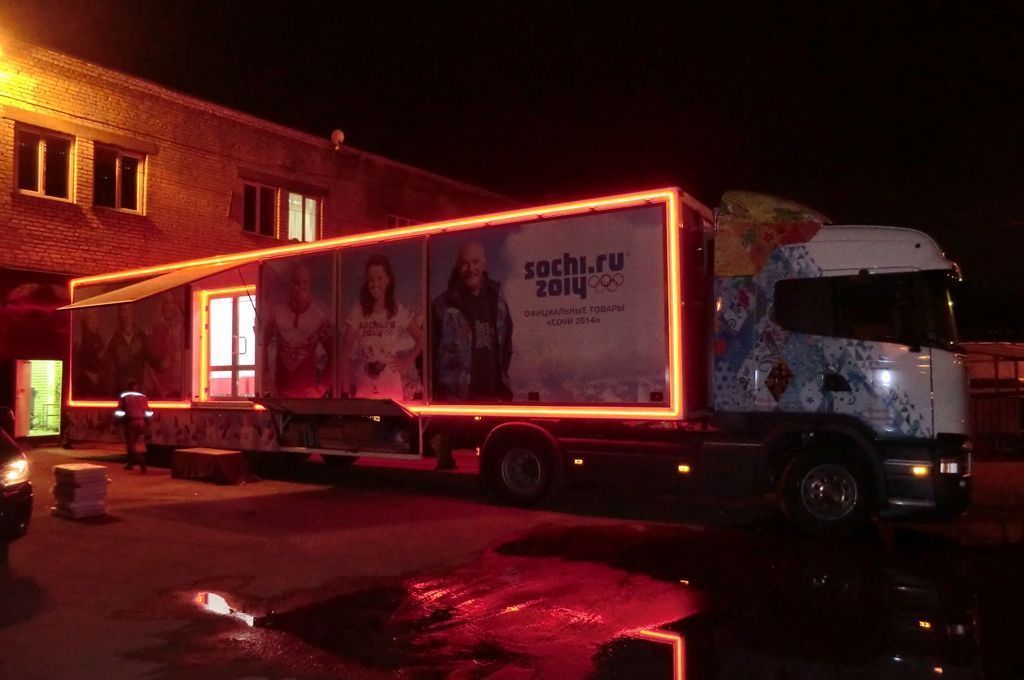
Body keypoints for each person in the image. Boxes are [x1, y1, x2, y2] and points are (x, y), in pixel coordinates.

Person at [430, 241, 513, 469]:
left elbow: (507, 338)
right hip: (456, 395)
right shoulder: (442, 305)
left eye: (475, 262)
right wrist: (437, 389)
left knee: (491, 453)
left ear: (483, 263)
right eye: (464, 264)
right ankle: (444, 459)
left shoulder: (497, 298)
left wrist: (502, 375)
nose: (470, 269)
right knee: (448, 457)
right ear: (458, 267)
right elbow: (429, 351)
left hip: (491, 391)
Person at [340, 254, 424, 401]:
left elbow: (421, 339)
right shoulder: (358, 311)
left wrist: (406, 363)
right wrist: (345, 389)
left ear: (387, 280)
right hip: (364, 388)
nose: (375, 284)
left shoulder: (397, 310)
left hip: (391, 389)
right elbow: (345, 351)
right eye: (371, 280)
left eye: (379, 278)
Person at [261, 262, 334, 398]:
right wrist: (265, 378)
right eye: (296, 282)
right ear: (291, 285)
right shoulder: (277, 313)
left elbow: (335, 355)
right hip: (280, 394)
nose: (300, 287)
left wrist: (321, 388)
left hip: (307, 397)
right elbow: (262, 345)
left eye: (304, 282)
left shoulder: (318, 318)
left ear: (310, 285)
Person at [105, 305, 159, 396]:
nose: (126, 314)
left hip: (139, 389)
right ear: (119, 315)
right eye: (123, 310)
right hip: (121, 391)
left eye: (128, 309)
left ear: (133, 312)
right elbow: (109, 369)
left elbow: (151, 358)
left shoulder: (141, 336)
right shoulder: (113, 341)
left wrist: (163, 364)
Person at [145, 292, 184, 399]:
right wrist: (160, 390)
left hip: (179, 390)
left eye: (172, 302)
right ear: (162, 306)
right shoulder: (155, 329)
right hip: (162, 392)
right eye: (166, 303)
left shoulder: (181, 329)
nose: (169, 306)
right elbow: (149, 364)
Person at [116, 380, 151, 473]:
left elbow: (120, 411)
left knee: (131, 444)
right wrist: (146, 422)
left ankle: (137, 463)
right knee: (139, 443)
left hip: (130, 422)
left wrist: (119, 420)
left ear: (128, 387)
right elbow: (148, 411)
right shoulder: (143, 396)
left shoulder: (124, 396)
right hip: (141, 423)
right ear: (136, 387)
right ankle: (135, 464)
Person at [73, 309, 105, 399]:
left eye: (94, 316)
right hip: (85, 386)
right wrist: (89, 374)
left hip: (96, 386)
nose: (92, 320)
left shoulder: (98, 338)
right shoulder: (81, 340)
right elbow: (77, 363)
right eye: (89, 317)